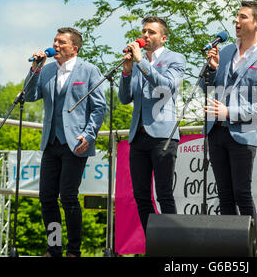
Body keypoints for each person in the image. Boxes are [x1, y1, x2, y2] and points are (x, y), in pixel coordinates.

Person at [24, 27, 106, 257]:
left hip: (76, 143)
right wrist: (34, 69)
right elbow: (29, 96)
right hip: (51, 142)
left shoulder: (89, 70)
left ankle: (73, 250)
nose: (56, 46)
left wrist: (89, 135)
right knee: (47, 198)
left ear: (74, 48)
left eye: (61, 42)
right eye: (55, 41)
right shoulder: (47, 70)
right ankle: (54, 248)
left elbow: (99, 108)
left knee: (68, 197)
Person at [203, 1, 257, 230]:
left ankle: (251, 250)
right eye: (236, 17)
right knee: (224, 195)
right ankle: (229, 249)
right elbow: (207, 89)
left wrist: (230, 113)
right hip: (216, 132)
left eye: (242, 17)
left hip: (243, 135)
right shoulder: (225, 52)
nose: (236, 21)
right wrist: (212, 70)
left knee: (242, 195)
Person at [118, 16, 186, 234]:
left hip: (163, 135)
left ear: (163, 38)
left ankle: (172, 245)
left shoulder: (176, 58)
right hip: (138, 135)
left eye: (152, 32)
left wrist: (141, 63)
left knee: (164, 193)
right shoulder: (137, 61)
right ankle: (154, 242)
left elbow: (166, 86)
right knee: (140, 195)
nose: (145, 35)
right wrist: (127, 72)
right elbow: (124, 98)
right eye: (144, 31)